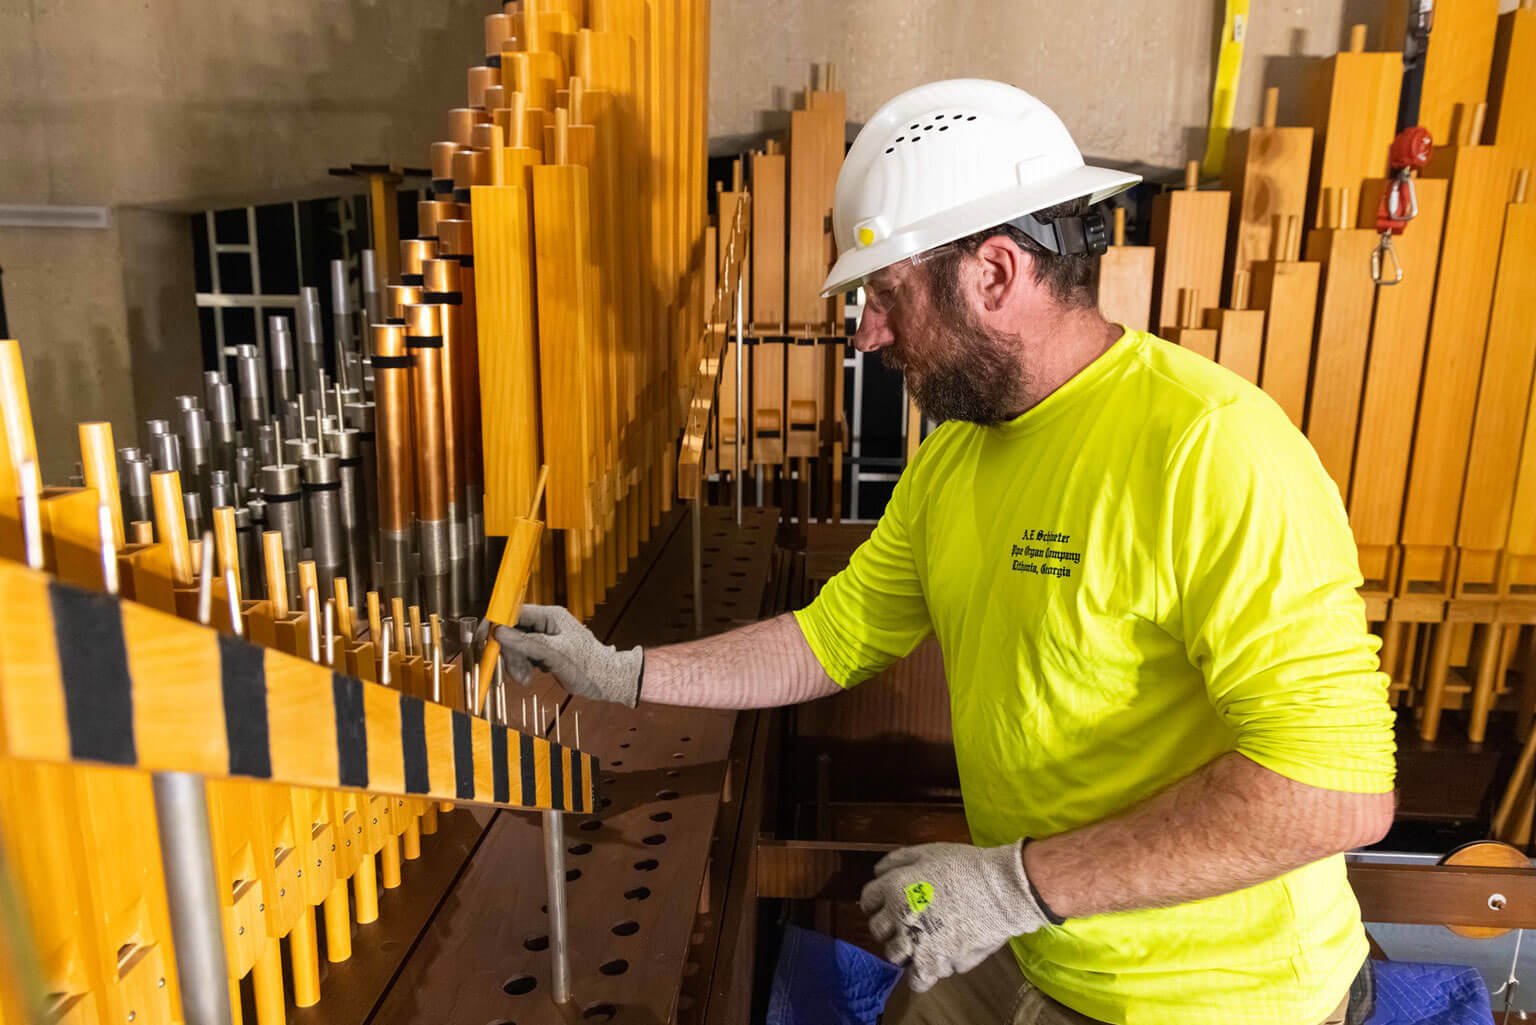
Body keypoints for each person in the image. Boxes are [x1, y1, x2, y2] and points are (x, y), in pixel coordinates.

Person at [490, 79, 1396, 1025]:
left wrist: (1014, 885)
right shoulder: (956, 454)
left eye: (886, 294)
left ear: (995, 274)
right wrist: (621, 672)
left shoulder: (1213, 447)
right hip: (1036, 937)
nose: (868, 330)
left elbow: (1333, 792)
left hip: (1212, 995)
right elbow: (826, 639)